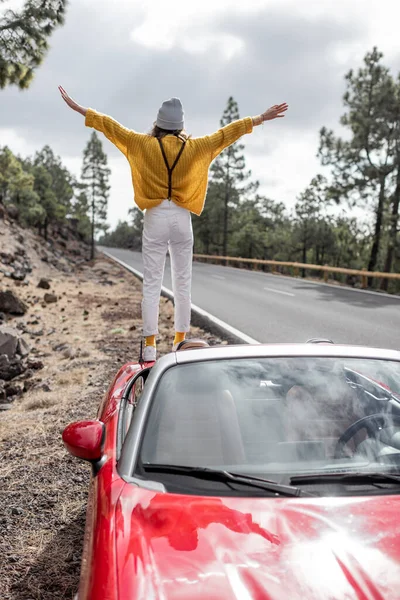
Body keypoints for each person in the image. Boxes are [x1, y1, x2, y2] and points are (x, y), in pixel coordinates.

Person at [58, 86, 288, 361]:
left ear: (157, 123)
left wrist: (81, 109)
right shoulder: (196, 147)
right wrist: (261, 117)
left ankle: (150, 343)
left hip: (155, 216)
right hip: (181, 218)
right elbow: (228, 133)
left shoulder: (141, 144)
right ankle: (180, 340)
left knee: (152, 283)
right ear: (180, 126)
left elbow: (110, 126)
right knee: (183, 283)